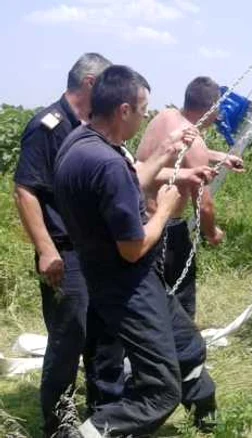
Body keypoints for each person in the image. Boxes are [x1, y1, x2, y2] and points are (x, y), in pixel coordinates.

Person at [53, 65, 217, 437]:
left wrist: (166, 152)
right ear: (124, 110)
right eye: (143, 110)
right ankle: (83, 435)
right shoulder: (108, 163)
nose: (145, 118)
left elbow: (127, 183)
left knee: (188, 346)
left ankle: (205, 414)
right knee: (160, 391)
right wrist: (164, 209)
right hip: (128, 285)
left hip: (121, 277)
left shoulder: (82, 144)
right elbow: (133, 248)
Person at [12, 52, 126, 437]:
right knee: (68, 338)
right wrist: (46, 250)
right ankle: (58, 423)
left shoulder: (94, 127)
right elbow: (25, 191)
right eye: (108, 84)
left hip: (99, 253)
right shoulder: (48, 126)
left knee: (104, 334)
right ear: (91, 83)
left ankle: (105, 416)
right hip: (66, 253)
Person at [136, 76, 244, 318]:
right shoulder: (193, 141)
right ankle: (183, 350)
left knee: (144, 293)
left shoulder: (166, 117)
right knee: (178, 296)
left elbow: (180, 155)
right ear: (211, 108)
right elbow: (203, 204)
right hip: (164, 228)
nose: (219, 116)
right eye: (218, 109)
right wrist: (212, 232)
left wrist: (221, 157)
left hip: (138, 218)